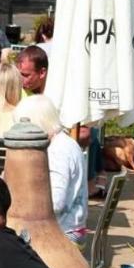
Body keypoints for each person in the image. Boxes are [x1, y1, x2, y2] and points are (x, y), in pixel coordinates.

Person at [17, 95, 89, 241]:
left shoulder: (58, 152)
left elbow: (55, 203)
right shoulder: (64, 142)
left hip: (63, 232)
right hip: (73, 226)